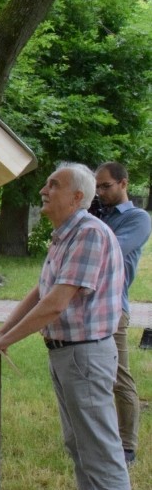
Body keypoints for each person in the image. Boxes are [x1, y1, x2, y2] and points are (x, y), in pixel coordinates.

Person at [0, 162, 132, 490]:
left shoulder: (89, 234)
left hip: (86, 356)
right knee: (80, 446)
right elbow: (40, 292)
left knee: (101, 453)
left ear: (77, 197)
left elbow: (56, 304)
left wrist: (7, 341)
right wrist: (2, 332)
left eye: (53, 185)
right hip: (69, 356)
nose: (43, 191)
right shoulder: (66, 234)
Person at [94, 161, 151, 468]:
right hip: (87, 306)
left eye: (106, 186)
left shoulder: (138, 218)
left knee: (119, 378)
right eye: (97, 187)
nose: (100, 192)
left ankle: (127, 446)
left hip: (114, 307)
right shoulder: (96, 215)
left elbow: (107, 253)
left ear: (124, 184)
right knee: (94, 378)